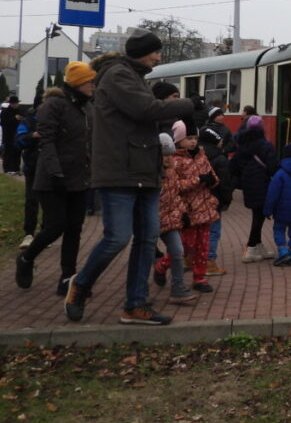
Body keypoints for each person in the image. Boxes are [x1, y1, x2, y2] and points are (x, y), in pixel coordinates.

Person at [64, 30, 195, 326]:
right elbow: (145, 110)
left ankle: (135, 305)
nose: (159, 58)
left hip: (143, 171)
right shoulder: (117, 76)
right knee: (117, 238)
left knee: (147, 240)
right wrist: (188, 104)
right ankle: (81, 285)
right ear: (142, 52)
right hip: (119, 171)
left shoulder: (134, 77)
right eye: (156, 52)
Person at [15, 63, 95, 295]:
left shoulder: (87, 108)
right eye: (90, 81)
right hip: (52, 179)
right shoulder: (54, 105)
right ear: (79, 82)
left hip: (79, 179)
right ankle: (26, 258)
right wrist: (55, 172)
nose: (93, 86)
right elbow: (46, 141)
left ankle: (67, 277)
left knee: (74, 229)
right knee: (55, 226)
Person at [157, 118, 220, 293]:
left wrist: (213, 181)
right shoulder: (174, 160)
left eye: (195, 138)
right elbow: (176, 186)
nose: (193, 141)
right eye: (189, 137)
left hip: (204, 208)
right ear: (178, 139)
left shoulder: (201, 155)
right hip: (186, 210)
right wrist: (198, 180)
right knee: (185, 247)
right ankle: (162, 265)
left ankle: (199, 278)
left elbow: (212, 176)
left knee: (203, 246)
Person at [153, 133, 199, 306]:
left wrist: (183, 212)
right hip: (153, 220)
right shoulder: (151, 174)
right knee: (143, 255)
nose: (168, 159)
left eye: (170, 155)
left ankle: (178, 288)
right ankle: (138, 292)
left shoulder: (171, 171)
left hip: (170, 219)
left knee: (177, 251)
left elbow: (175, 194)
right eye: (164, 155)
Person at [231, 115, 278, 262]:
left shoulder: (241, 144)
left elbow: (234, 165)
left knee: (258, 214)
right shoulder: (265, 145)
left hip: (248, 183)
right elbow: (272, 167)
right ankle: (251, 247)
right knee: (259, 216)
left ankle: (258, 246)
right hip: (262, 183)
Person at [198, 126, 233, 275]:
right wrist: (226, 200)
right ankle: (209, 263)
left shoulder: (197, 156)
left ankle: (192, 260)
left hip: (197, 201)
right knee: (213, 232)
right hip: (214, 201)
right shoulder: (220, 159)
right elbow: (225, 183)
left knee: (197, 231)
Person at [15, 99, 42, 250]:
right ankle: (29, 233)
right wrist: (33, 136)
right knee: (31, 200)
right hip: (32, 166)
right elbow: (18, 141)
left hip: (51, 167)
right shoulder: (28, 121)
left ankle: (46, 232)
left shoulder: (58, 119)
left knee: (50, 202)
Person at [1, 95, 22, 174]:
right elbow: (4, 123)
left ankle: (16, 168)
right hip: (8, 135)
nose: (17, 105)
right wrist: (14, 119)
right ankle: (7, 168)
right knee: (8, 152)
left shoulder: (19, 110)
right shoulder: (5, 111)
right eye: (15, 103)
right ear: (12, 104)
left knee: (17, 152)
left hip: (17, 135)